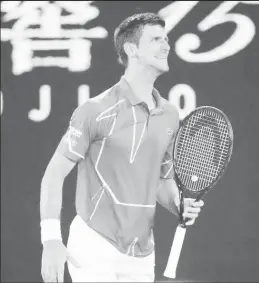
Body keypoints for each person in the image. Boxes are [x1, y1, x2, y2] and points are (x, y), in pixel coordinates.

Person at [40, 12, 204, 282]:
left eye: (166, 38)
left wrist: (179, 205)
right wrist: (51, 240)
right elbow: (54, 174)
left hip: (142, 252)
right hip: (94, 242)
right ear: (132, 49)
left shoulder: (170, 115)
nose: (166, 45)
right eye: (156, 39)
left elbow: (162, 181)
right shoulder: (95, 110)